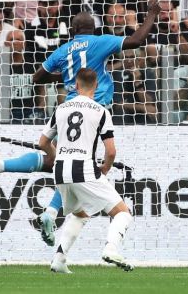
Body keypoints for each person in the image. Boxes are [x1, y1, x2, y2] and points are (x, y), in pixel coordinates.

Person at [0, 0, 161, 247]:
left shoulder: (64, 50)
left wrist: (65, 74)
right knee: (75, 164)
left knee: (60, 162)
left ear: (73, 31)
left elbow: (37, 77)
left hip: (66, 110)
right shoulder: (101, 41)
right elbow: (136, 40)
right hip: (93, 110)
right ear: (94, 29)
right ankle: (49, 212)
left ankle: (8, 172)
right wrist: (151, 14)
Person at [40, 68, 133, 273]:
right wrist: (105, 170)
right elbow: (110, 151)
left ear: (75, 85)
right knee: (123, 213)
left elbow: (43, 142)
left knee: (80, 214)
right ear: (97, 86)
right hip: (84, 169)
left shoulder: (61, 108)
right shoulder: (101, 111)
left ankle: (59, 259)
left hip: (60, 170)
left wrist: (57, 156)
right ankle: (111, 249)